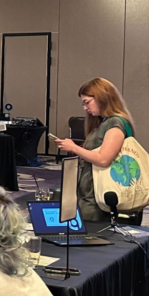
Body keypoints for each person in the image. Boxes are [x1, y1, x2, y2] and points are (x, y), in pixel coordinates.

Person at [54, 78, 136, 222]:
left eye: (87, 102)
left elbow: (103, 159)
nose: (85, 108)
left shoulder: (115, 122)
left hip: (98, 195)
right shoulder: (104, 122)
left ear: (102, 98)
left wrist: (74, 148)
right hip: (91, 192)